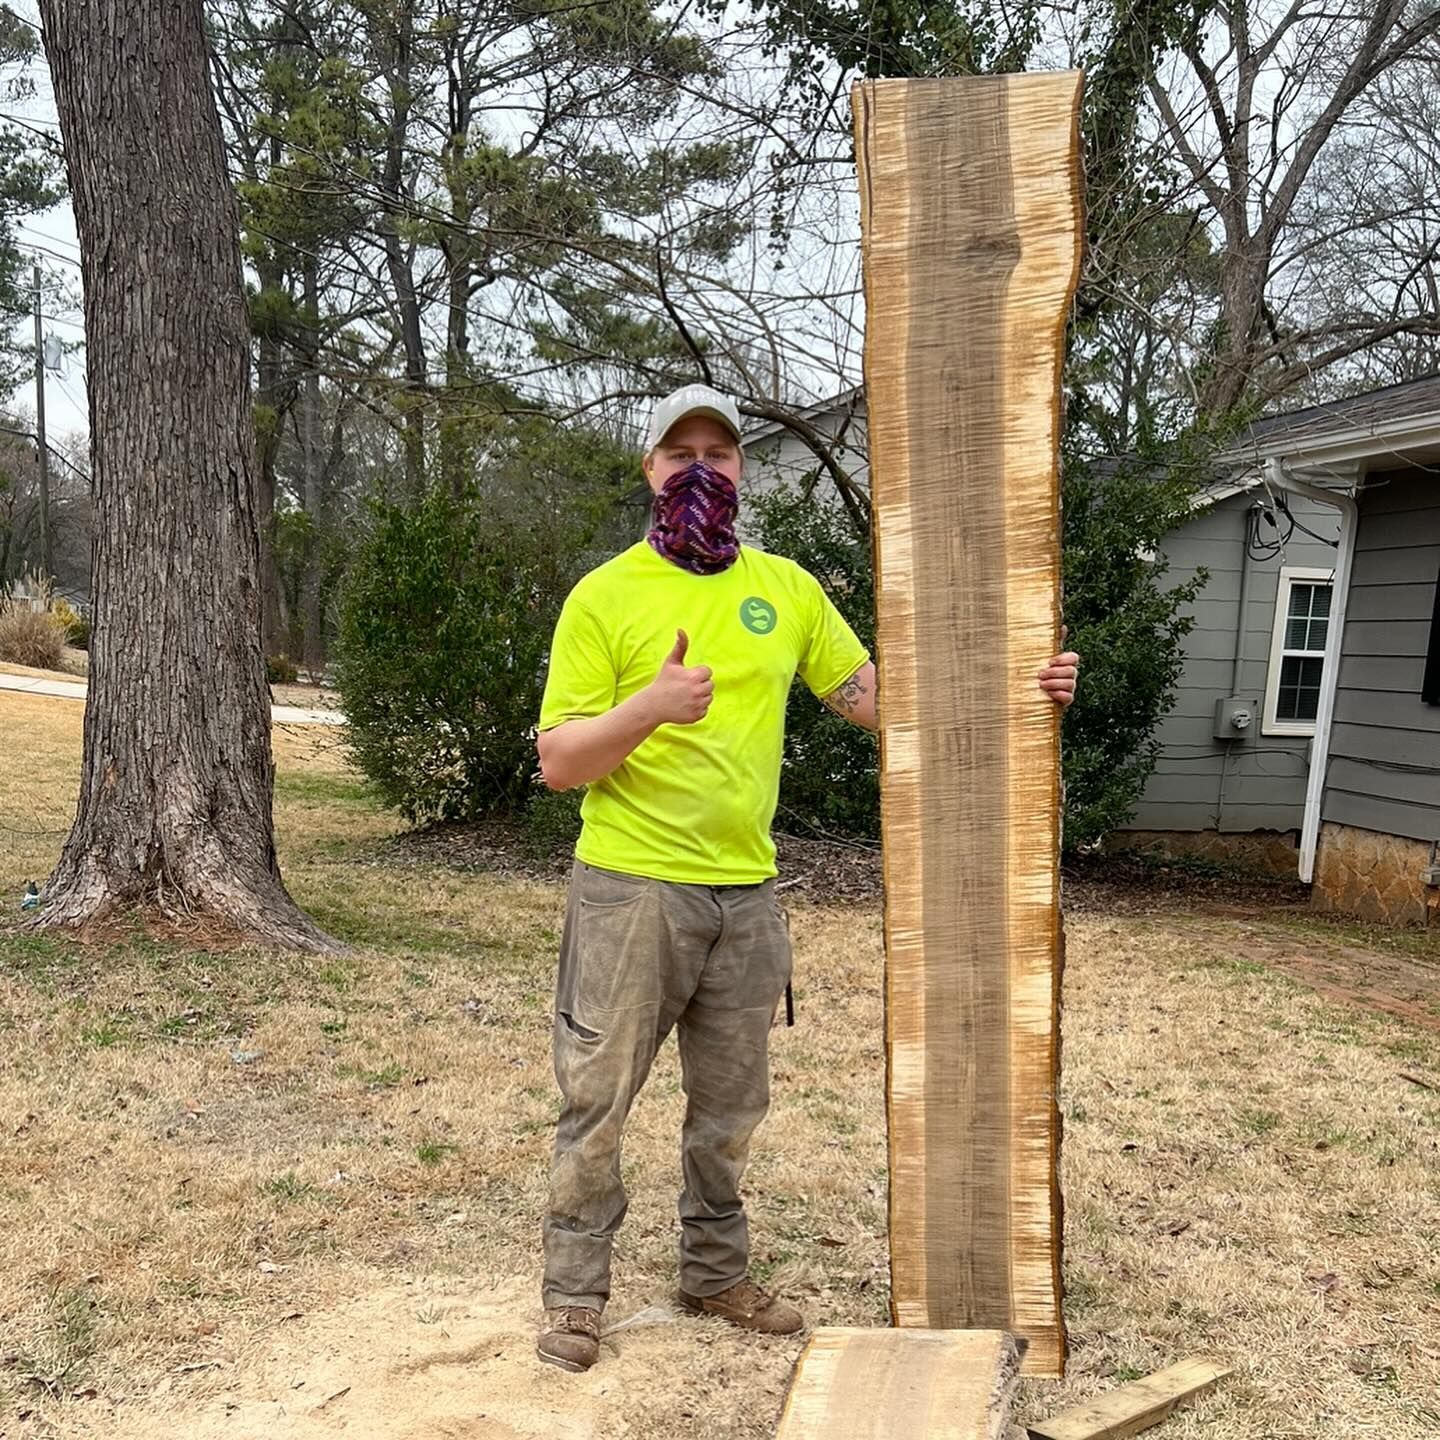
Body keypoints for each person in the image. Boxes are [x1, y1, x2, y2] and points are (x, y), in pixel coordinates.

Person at [533, 383, 1079, 1372]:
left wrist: (1016, 686)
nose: (701, 469)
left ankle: (713, 1273)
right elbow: (559, 761)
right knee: (599, 1097)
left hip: (746, 895)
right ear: (648, 469)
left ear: (743, 469)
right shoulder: (604, 596)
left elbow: (877, 696)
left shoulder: (783, 590)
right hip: (631, 890)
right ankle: (574, 1295)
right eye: (678, 453)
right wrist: (651, 705)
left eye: (721, 453)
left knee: (731, 1110)